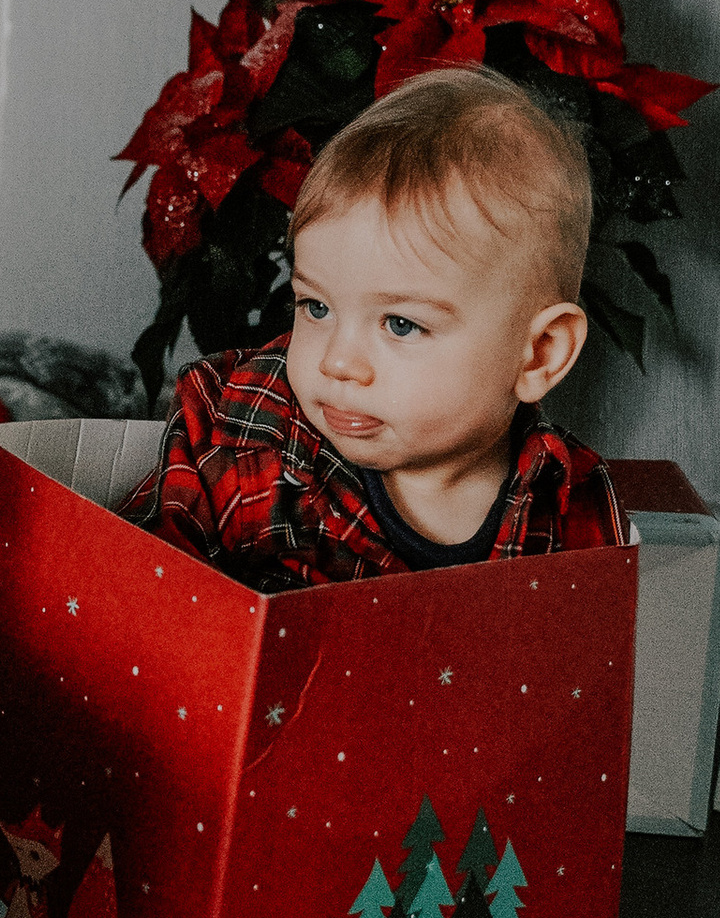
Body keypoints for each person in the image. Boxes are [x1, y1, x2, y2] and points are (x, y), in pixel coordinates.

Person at [123, 67, 623, 587]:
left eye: (401, 324)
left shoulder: (569, 503)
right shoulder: (238, 440)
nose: (336, 361)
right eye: (316, 307)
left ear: (540, 353)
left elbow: (584, 656)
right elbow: (131, 591)